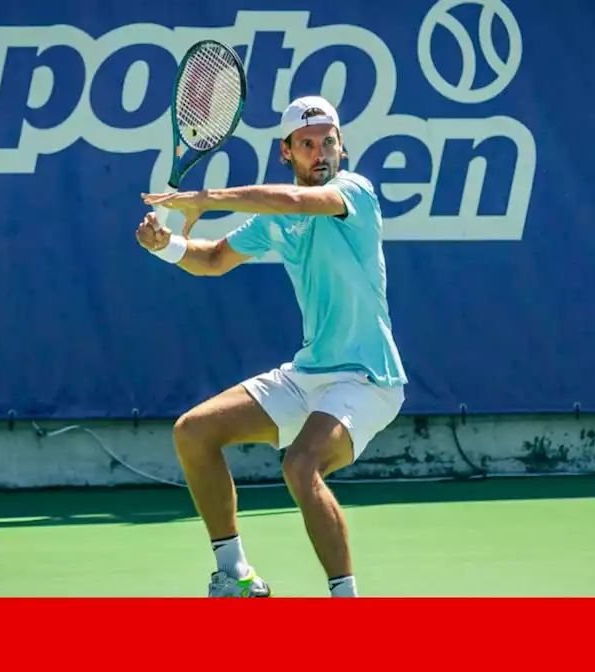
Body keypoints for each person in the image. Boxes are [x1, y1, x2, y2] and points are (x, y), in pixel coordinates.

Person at [136, 95, 407, 598]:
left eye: (329, 141)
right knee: (194, 432)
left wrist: (208, 198)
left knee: (301, 465)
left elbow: (294, 201)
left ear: (342, 147)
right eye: (306, 144)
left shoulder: (355, 193)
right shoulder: (272, 220)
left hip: (367, 379)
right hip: (310, 374)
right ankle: (236, 576)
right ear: (287, 153)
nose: (320, 151)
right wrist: (166, 247)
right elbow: (215, 258)